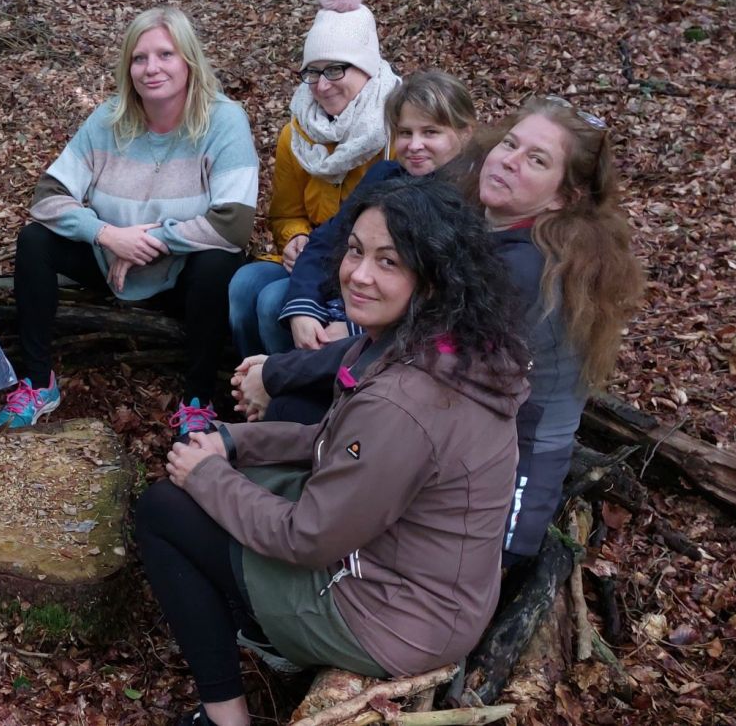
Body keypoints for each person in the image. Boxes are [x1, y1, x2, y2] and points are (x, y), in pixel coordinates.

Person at [136, 176, 529, 726]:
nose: (359, 275)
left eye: (389, 262)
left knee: (164, 510)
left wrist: (207, 477)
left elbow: (307, 537)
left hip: (387, 616)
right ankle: (251, 617)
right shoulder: (439, 344)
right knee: (215, 475)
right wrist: (233, 440)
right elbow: (334, 441)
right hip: (424, 580)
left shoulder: (405, 401)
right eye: (356, 251)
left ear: (435, 278)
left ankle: (225, 716)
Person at [233, 96, 645, 564]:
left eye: (536, 160)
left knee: (296, 407)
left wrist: (275, 373)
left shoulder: (526, 268)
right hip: (452, 427)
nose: (508, 161)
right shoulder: (492, 225)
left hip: (498, 496)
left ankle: (275, 548)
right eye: (510, 143)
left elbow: (405, 348)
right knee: (306, 404)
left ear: (563, 197)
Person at [0, 5, 258, 436]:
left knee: (220, 262)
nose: (151, 68)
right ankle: (40, 381)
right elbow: (47, 196)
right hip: (109, 265)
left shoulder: (223, 120)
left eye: (165, 55)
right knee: (35, 240)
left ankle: (197, 400)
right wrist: (107, 235)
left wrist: (149, 241)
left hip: (181, 274)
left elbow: (233, 223)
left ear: (189, 60)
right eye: (139, 58)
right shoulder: (108, 119)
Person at [227, 0, 402, 359]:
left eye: (336, 70)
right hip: (310, 260)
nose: (322, 86)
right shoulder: (298, 133)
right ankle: (249, 382)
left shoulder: (395, 131)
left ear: (368, 70)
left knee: (273, 301)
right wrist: (293, 239)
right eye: (313, 72)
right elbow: (285, 212)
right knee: (244, 283)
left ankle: (293, 393)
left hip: (364, 265)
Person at [267, 70, 478, 354]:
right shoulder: (385, 176)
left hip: (400, 337)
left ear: (465, 133)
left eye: (430, 132)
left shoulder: (472, 199)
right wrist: (304, 308)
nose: (414, 145)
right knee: (271, 302)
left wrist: (359, 329)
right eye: (405, 133)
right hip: (343, 298)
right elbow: (328, 239)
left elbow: (446, 294)